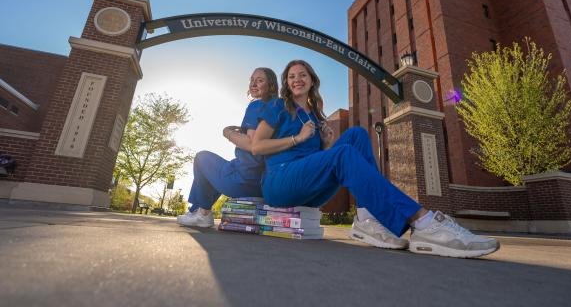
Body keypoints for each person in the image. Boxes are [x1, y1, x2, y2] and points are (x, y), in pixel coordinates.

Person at [251, 60, 499, 258]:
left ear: (312, 80)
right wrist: (297, 138)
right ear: (286, 82)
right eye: (292, 76)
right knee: (344, 153)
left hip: (306, 187)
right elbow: (257, 146)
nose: (297, 79)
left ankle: (367, 219)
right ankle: (422, 221)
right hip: (279, 181)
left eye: (302, 74)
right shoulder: (278, 107)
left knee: (357, 135)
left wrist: (325, 142)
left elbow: (313, 163)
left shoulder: (316, 116)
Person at [177, 67, 278, 228]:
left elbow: (252, 145)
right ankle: (199, 212)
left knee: (202, 157)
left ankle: (201, 213)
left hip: (242, 180)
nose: (253, 84)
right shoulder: (276, 109)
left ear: (271, 85)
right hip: (260, 184)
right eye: (251, 80)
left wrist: (227, 133)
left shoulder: (256, 106)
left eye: (260, 80)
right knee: (220, 167)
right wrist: (243, 130)